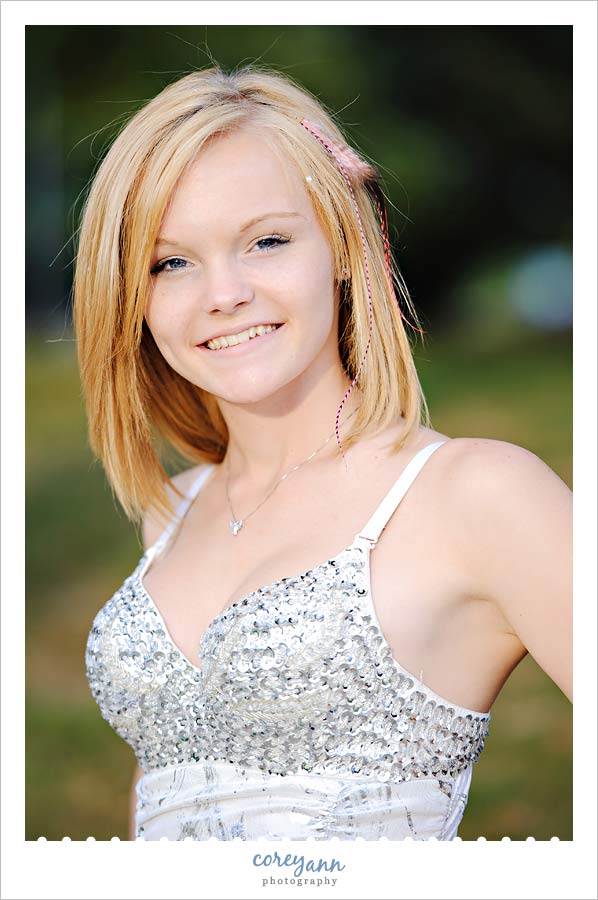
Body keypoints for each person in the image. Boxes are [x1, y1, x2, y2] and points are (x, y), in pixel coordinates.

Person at [76, 65, 572, 841]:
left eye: (266, 241)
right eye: (170, 262)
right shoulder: (171, 515)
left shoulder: (475, 494)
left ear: (346, 245)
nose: (223, 292)